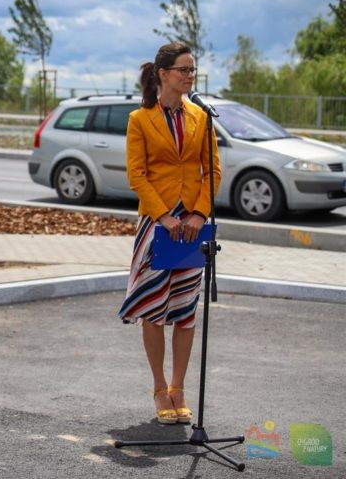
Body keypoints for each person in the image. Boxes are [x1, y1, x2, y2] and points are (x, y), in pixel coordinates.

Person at [118, 41, 221, 425]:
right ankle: (160, 388)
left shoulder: (201, 116)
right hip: (157, 224)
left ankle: (179, 388)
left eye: (192, 70)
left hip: (192, 225)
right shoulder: (140, 119)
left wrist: (199, 213)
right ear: (163, 74)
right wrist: (163, 215)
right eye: (183, 70)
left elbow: (213, 171)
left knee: (185, 309)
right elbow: (137, 175)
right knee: (154, 307)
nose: (190, 76)